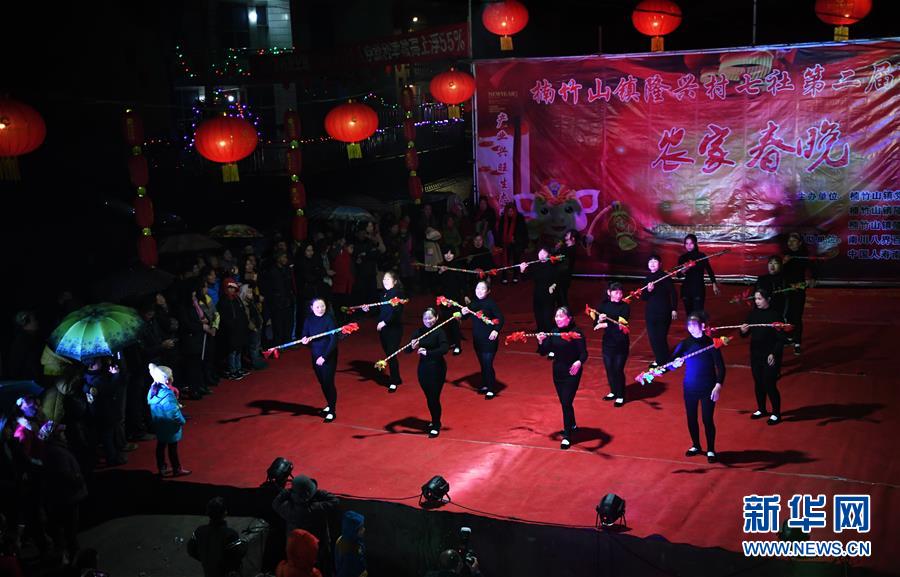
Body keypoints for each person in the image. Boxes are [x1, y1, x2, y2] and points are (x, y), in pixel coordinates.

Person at [670, 311, 725, 463]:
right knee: (691, 418)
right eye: (689, 326)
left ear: (702, 326)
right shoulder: (685, 344)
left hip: (708, 388)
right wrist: (675, 364)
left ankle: (711, 449)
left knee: (707, 419)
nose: (691, 328)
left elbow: (721, 368)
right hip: (690, 388)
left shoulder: (712, 343)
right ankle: (696, 445)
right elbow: (669, 364)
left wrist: (718, 386)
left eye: (694, 325)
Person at [536, 307, 587, 449]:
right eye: (556, 316)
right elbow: (544, 351)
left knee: (566, 402)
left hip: (572, 372)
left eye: (561, 316)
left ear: (569, 318)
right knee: (565, 402)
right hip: (558, 372)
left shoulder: (576, 333)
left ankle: (567, 436)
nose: (557, 319)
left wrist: (578, 362)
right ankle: (572, 424)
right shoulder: (554, 332)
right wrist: (541, 341)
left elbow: (584, 353)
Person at [272, 475, 339, 574]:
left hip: (296, 551)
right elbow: (334, 501)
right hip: (318, 548)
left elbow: (276, 503)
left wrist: (288, 492)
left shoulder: (288, 508)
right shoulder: (316, 508)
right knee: (323, 567)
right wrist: (316, 492)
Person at [740, 287, 786, 425]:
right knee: (758, 382)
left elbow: (781, 339)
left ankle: (776, 413)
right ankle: (761, 409)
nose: (757, 301)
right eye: (755, 299)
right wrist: (743, 331)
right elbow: (745, 334)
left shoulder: (775, 316)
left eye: (760, 299)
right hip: (756, 354)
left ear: (768, 299)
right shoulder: (753, 314)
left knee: (769, 383)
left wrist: (774, 353)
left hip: (770, 355)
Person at [407, 308, 450, 438]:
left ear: (436, 318)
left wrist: (428, 353)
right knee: (429, 397)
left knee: (434, 398)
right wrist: (412, 347)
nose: (428, 321)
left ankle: (436, 424)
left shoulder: (440, 332)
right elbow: (407, 350)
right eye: (425, 318)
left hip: (437, 368)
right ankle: (434, 419)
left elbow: (445, 349)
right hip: (423, 369)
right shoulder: (418, 332)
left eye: (430, 318)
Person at [461, 280, 505, 399]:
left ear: (488, 291)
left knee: (487, 364)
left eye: (482, 288)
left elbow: (501, 318)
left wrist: (496, 330)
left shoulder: (490, 303)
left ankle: (491, 389)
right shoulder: (473, 303)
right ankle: (486, 384)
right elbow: (464, 317)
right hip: (478, 339)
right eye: (477, 288)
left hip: (489, 339)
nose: (479, 291)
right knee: (483, 364)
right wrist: (463, 312)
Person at [299, 299, 339, 423]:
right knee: (322, 383)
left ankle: (332, 411)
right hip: (315, 355)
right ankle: (329, 403)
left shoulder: (329, 319)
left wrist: (324, 357)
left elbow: (334, 341)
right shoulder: (308, 320)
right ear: (311, 308)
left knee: (328, 383)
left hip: (328, 355)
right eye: (317, 307)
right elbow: (305, 334)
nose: (321, 309)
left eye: (322, 306)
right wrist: (304, 340)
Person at [363, 272, 404, 392]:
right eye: (384, 279)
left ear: (395, 281)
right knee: (389, 355)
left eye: (388, 279)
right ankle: (397, 377)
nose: (385, 281)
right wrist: (368, 309)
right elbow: (380, 310)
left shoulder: (397, 294)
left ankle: (393, 381)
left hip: (394, 329)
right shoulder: (383, 294)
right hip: (384, 330)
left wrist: (385, 322)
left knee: (391, 354)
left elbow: (396, 313)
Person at [147, 363, 190, 477]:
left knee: (160, 446)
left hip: (159, 424)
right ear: (167, 379)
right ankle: (177, 469)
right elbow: (173, 413)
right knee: (172, 448)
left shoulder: (153, 390)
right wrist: (182, 421)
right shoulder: (168, 395)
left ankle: (162, 468)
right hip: (170, 426)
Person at [188, 496, 247, 577]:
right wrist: (244, 546)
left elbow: (191, 550)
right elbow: (237, 556)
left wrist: (206, 559)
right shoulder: (230, 534)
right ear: (225, 513)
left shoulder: (199, 531)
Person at [594, 282, 630, 407]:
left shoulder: (625, 307)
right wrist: (599, 319)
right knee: (609, 368)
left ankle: (620, 395)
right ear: (609, 293)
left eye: (621, 293)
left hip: (621, 343)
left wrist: (605, 324)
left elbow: (622, 325)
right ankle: (614, 391)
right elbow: (595, 322)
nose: (619, 295)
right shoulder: (603, 305)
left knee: (618, 369)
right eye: (616, 292)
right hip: (608, 343)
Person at [782, 232, 817, 355]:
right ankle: (789, 337)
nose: (790, 243)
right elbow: (778, 271)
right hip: (786, 289)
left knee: (797, 316)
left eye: (794, 241)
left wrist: (812, 278)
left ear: (800, 243)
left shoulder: (803, 256)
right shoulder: (786, 255)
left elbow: (813, 268)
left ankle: (797, 343)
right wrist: (783, 263)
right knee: (787, 315)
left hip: (798, 289)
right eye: (789, 241)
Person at [641, 255, 678, 368]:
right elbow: (644, 297)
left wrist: (674, 309)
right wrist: (649, 290)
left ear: (660, 264)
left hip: (664, 311)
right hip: (651, 313)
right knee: (653, 338)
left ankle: (662, 360)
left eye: (655, 261)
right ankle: (661, 359)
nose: (652, 264)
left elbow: (673, 293)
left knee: (661, 337)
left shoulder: (665, 277)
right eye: (650, 261)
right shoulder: (647, 278)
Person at [520, 246, 558, 357]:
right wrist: (522, 270)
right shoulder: (535, 266)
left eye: (543, 253)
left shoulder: (552, 265)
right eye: (539, 253)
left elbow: (558, 280)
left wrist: (553, 286)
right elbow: (525, 278)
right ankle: (542, 346)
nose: (541, 255)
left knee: (547, 323)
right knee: (540, 323)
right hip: (538, 298)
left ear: (548, 255)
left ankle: (552, 349)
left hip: (548, 298)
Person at [677, 234, 720, 316]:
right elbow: (678, 275)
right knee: (689, 314)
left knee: (698, 314)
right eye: (686, 243)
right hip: (686, 289)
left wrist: (714, 284)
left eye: (691, 243)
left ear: (695, 243)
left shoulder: (701, 256)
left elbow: (709, 270)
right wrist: (685, 268)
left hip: (698, 288)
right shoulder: (682, 258)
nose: (689, 246)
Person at [218, 278, 250, 380]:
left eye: (233, 288)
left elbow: (242, 313)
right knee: (232, 351)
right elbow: (224, 318)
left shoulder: (236, 298)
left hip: (239, 329)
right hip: (230, 331)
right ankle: (233, 370)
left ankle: (238, 368)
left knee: (238, 349)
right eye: (229, 287)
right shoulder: (223, 301)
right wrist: (231, 326)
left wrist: (244, 324)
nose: (231, 290)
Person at [437, 247, 467, 355]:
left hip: (455, 299)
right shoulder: (440, 267)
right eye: (446, 253)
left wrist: (466, 295)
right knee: (446, 322)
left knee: (454, 321)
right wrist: (440, 272)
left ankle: (458, 345)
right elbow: (435, 284)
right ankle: (451, 342)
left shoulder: (458, 267)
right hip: (444, 300)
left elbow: (463, 283)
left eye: (451, 253)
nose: (448, 255)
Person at [264, 251, 297, 346]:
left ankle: (288, 342)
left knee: (288, 323)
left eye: (286, 257)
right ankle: (278, 344)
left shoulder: (287, 270)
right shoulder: (272, 271)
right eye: (283, 257)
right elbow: (270, 288)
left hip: (288, 300)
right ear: (278, 258)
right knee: (278, 325)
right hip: (277, 302)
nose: (285, 259)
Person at [497, 203, 527, 284]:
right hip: (505, 244)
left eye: (512, 211)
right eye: (508, 211)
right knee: (505, 260)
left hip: (516, 243)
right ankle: (504, 276)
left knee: (516, 260)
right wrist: (501, 242)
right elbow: (500, 231)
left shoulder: (519, 218)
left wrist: (515, 239)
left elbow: (523, 232)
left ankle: (515, 276)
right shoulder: (503, 218)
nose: (510, 213)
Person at [334, 511, 366, 577]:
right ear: (353, 531)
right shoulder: (349, 550)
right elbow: (344, 572)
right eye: (361, 528)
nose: (364, 529)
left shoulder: (343, 538)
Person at [555, 229, 578, 307]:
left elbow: (561, 259)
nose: (566, 235)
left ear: (573, 238)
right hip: (560, 273)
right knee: (558, 294)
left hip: (565, 275)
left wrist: (556, 255)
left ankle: (565, 311)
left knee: (562, 294)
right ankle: (560, 309)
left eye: (568, 234)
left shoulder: (572, 249)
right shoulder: (564, 247)